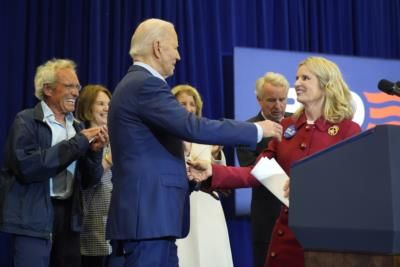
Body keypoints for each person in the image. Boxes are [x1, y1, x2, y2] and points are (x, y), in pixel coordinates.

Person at [106, 18, 282, 267]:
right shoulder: (145, 84)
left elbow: (153, 153)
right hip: (147, 220)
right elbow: (193, 127)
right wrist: (255, 129)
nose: (178, 56)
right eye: (175, 47)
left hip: (153, 219)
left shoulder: (136, 84)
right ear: (157, 47)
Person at [188, 56, 362, 267]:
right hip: (286, 240)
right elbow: (259, 172)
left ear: (326, 85)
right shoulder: (288, 126)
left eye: (305, 78)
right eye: (297, 77)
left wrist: (313, 185)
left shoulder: (347, 130)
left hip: (326, 241)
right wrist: (214, 172)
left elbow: (352, 185)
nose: (297, 83)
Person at [0, 59, 108, 267]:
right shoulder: (26, 121)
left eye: (77, 86)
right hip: (33, 217)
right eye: (69, 86)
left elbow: (89, 181)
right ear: (48, 89)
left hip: (69, 220)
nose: (76, 92)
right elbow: (28, 167)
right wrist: (79, 143)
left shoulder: (77, 127)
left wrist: (94, 152)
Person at [172, 84, 233, 267]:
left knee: (210, 255)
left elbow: (222, 177)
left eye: (192, 104)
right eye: (183, 103)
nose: (189, 108)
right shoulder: (167, 135)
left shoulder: (206, 134)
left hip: (208, 208)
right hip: (180, 206)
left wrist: (216, 154)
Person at [236, 72, 290, 267]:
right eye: (271, 100)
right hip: (267, 215)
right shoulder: (247, 130)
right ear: (259, 100)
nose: (278, 106)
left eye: (282, 99)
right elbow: (251, 170)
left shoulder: (299, 123)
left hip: (301, 214)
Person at [76, 85, 123, 267]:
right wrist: (111, 159)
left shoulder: (118, 137)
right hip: (91, 218)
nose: (106, 108)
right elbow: (88, 179)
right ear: (88, 108)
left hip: (116, 219)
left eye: (109, 104)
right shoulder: (80, 139)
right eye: (101, 104)